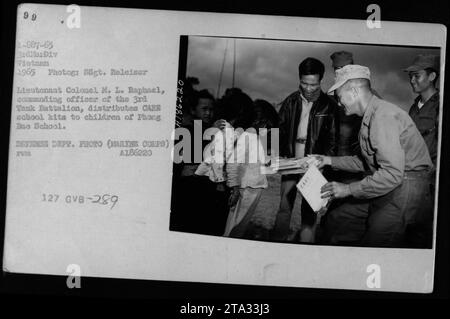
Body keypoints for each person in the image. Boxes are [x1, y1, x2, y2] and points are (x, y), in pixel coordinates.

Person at [314, 64, 434, 248]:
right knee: (339, 217)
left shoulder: (382, 116)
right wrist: (327, 160)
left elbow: (392, 174)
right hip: (392, 181)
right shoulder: (370, 116)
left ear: (353, 92)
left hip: (405, 186)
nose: (339, 103)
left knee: (377, 241)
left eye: (340, 97)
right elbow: (367, 162)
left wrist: (347, 189)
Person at [271, 57, 339, 242]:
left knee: (309, 213)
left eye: (313, 85)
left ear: (321, 81)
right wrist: (275, 156)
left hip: (315, 166)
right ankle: (276, 245)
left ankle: (305, 248)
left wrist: (325, 163)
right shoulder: (290, 101)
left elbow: (333, 141)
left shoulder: (329, 105)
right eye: (304, 83)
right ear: (299, 79)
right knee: (284, 208)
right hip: (290, 162)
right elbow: (278, 129)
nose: (308, 89)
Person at [223, 99, 278, 238]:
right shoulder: (248, 135)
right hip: (245, 189)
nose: (269, 130)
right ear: (260, 121)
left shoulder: (256, 137)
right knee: (234, 227)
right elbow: (232, 162)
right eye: (267, 125)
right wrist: (235, 189)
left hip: (254, 187)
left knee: (241, 226)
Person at [404, 54, 440, 167]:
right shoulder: (414, 108)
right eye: (410, 76)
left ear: (432, 76)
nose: (412, 80)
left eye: (416, 76)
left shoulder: (439, 106)